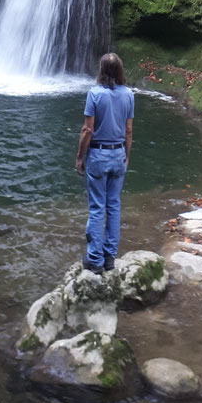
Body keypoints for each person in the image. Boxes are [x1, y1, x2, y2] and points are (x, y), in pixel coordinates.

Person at [76, 52, 134, 274]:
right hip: (118, 153)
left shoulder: (94, 94)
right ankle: (110, 257)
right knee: (114, 205)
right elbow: (128, 130)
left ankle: (94, 259)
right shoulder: (129, 95)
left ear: (101, 70)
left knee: (97, 207)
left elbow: (87, 130)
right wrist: (126, 155)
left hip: (98, 156)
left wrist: (80, 157)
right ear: (120, 70)